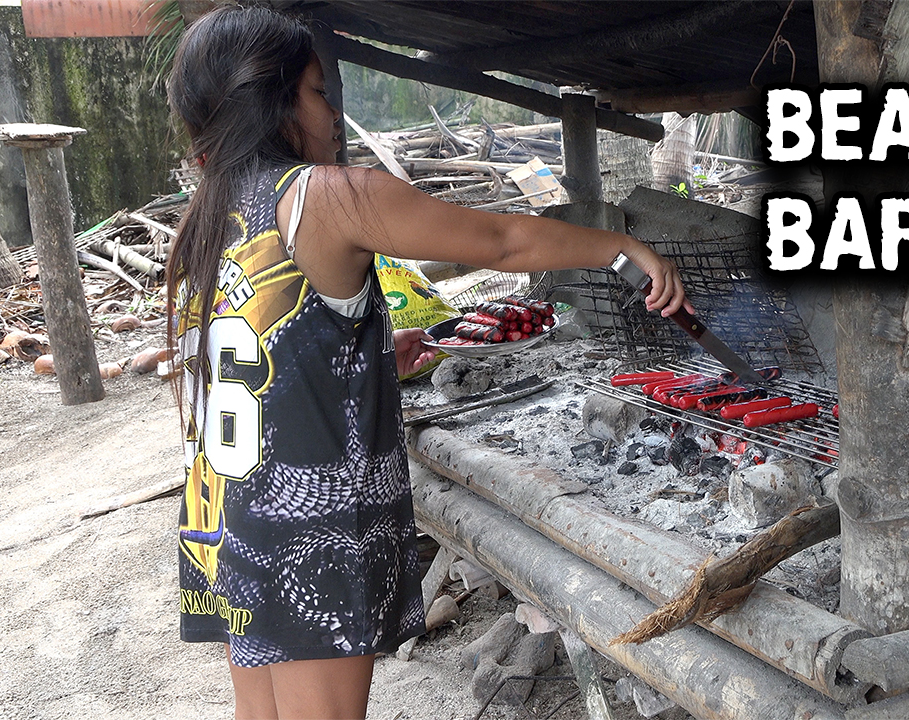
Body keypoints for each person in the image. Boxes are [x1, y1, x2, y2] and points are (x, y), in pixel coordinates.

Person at [165, 6, 688, 719]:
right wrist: (623, 248)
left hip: (224, 516)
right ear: (274, 98)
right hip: (309, 533)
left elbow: (248, 356)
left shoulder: (211, 213)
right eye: (320, 93)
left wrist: (366, 359)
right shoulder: (330, 196)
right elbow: (502, 242)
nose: (332, 117)